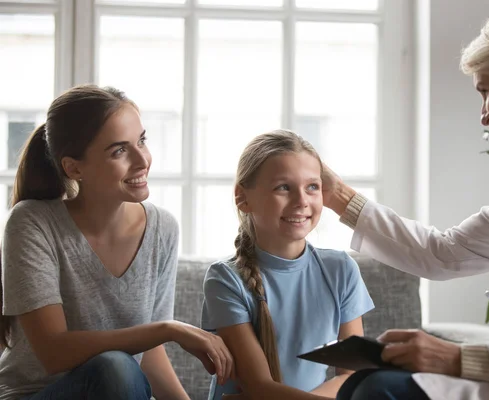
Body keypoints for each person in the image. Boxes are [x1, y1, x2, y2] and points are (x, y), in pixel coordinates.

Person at [322, 3, 489, 400]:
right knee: (363, 384)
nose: (484, 115)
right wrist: (337, 196)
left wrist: (458, 359)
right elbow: (443, 253)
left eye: (486, 91)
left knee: (379, 392)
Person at [0, 84, 234, 400]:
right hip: (34, 394)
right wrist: (168, 329)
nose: (142, 160)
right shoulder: (32, 222)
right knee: (116, 368)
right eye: (119, 150)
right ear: (74, 167)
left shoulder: (162, 229)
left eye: (142, 141)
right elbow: (53, 352)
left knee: (121, 370)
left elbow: (149, 355)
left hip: (122, 390)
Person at [201, 130, 375, 400]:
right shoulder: (225, 278)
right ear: (242, 197)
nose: (302, 201)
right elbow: (259, 387)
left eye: (312, 187)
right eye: (283, 187)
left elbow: (353, 375)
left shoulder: (341, 269)